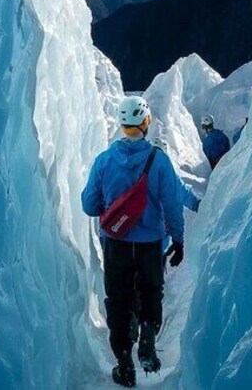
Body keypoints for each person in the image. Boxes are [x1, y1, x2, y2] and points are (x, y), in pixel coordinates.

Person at [82, 96, 191, 387]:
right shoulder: (160, 161)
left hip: (116, 244)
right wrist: (178, 240)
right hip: (150, 245)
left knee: (118, 300)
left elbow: (88, 205)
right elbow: (172, 205)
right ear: (145, 123)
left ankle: (125, 364)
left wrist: (113, 206)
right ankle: (146, 333)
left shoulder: (104, 161)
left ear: (122, 124)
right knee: (151, 292)